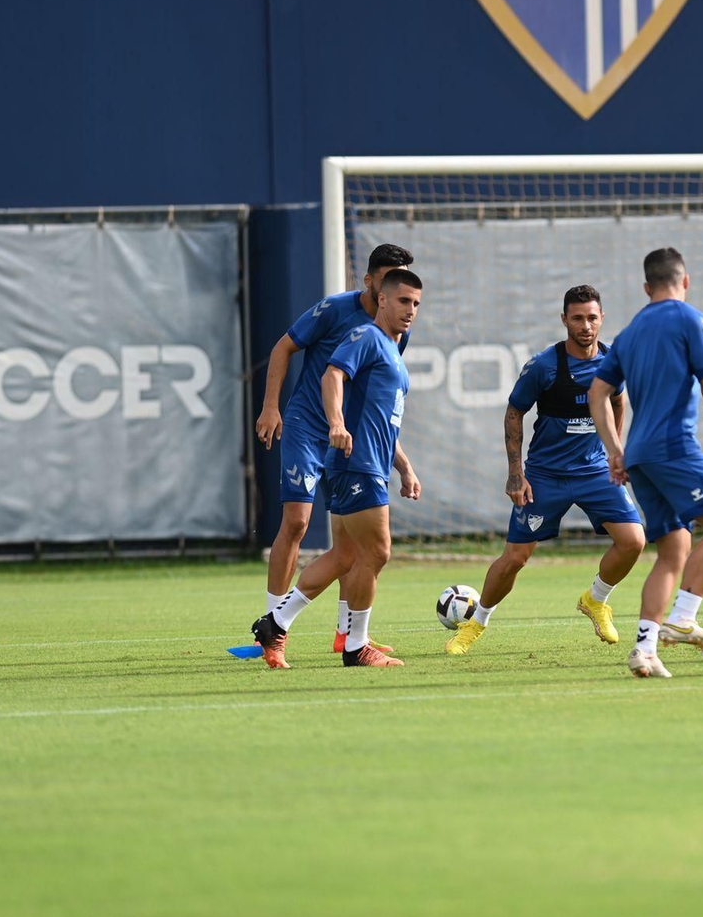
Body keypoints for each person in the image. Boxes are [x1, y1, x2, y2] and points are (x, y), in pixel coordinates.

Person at [444, 286, 645, 654]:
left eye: (592, 318)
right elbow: (514, 413)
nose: (586, 326)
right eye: (578, 318)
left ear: (602, 318)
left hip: (595, 472)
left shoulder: (613, 362)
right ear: (564, 320)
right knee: (515, 559)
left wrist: (614, 451)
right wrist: (515, 473)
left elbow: (618, 402)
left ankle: (596, 599)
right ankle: (476, 623)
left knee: (634, 541)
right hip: (545, 476)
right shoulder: (543, 366)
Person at [587, 247, 703, 679]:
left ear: (647, 287)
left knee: (674, 549)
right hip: (673, 446)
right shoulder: (690, 319)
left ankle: (645, 650)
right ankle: (682, 618)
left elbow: (597, 393)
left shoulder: (629, 333)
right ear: (685, 281)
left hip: (639, 455)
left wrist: (615, 450)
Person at [252, 243, 418, 666]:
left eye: (414, 301)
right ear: (374, 285)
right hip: (319, 432)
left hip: (360, 449)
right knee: (306, 525)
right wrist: (283, 409)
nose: (409, 307)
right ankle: (290, 627)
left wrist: (402, 464)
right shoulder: (348, 320)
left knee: (350, 552)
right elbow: (325, 371)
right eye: (400, 295)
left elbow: (379, 406)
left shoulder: (393, 339)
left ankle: (337, 633)